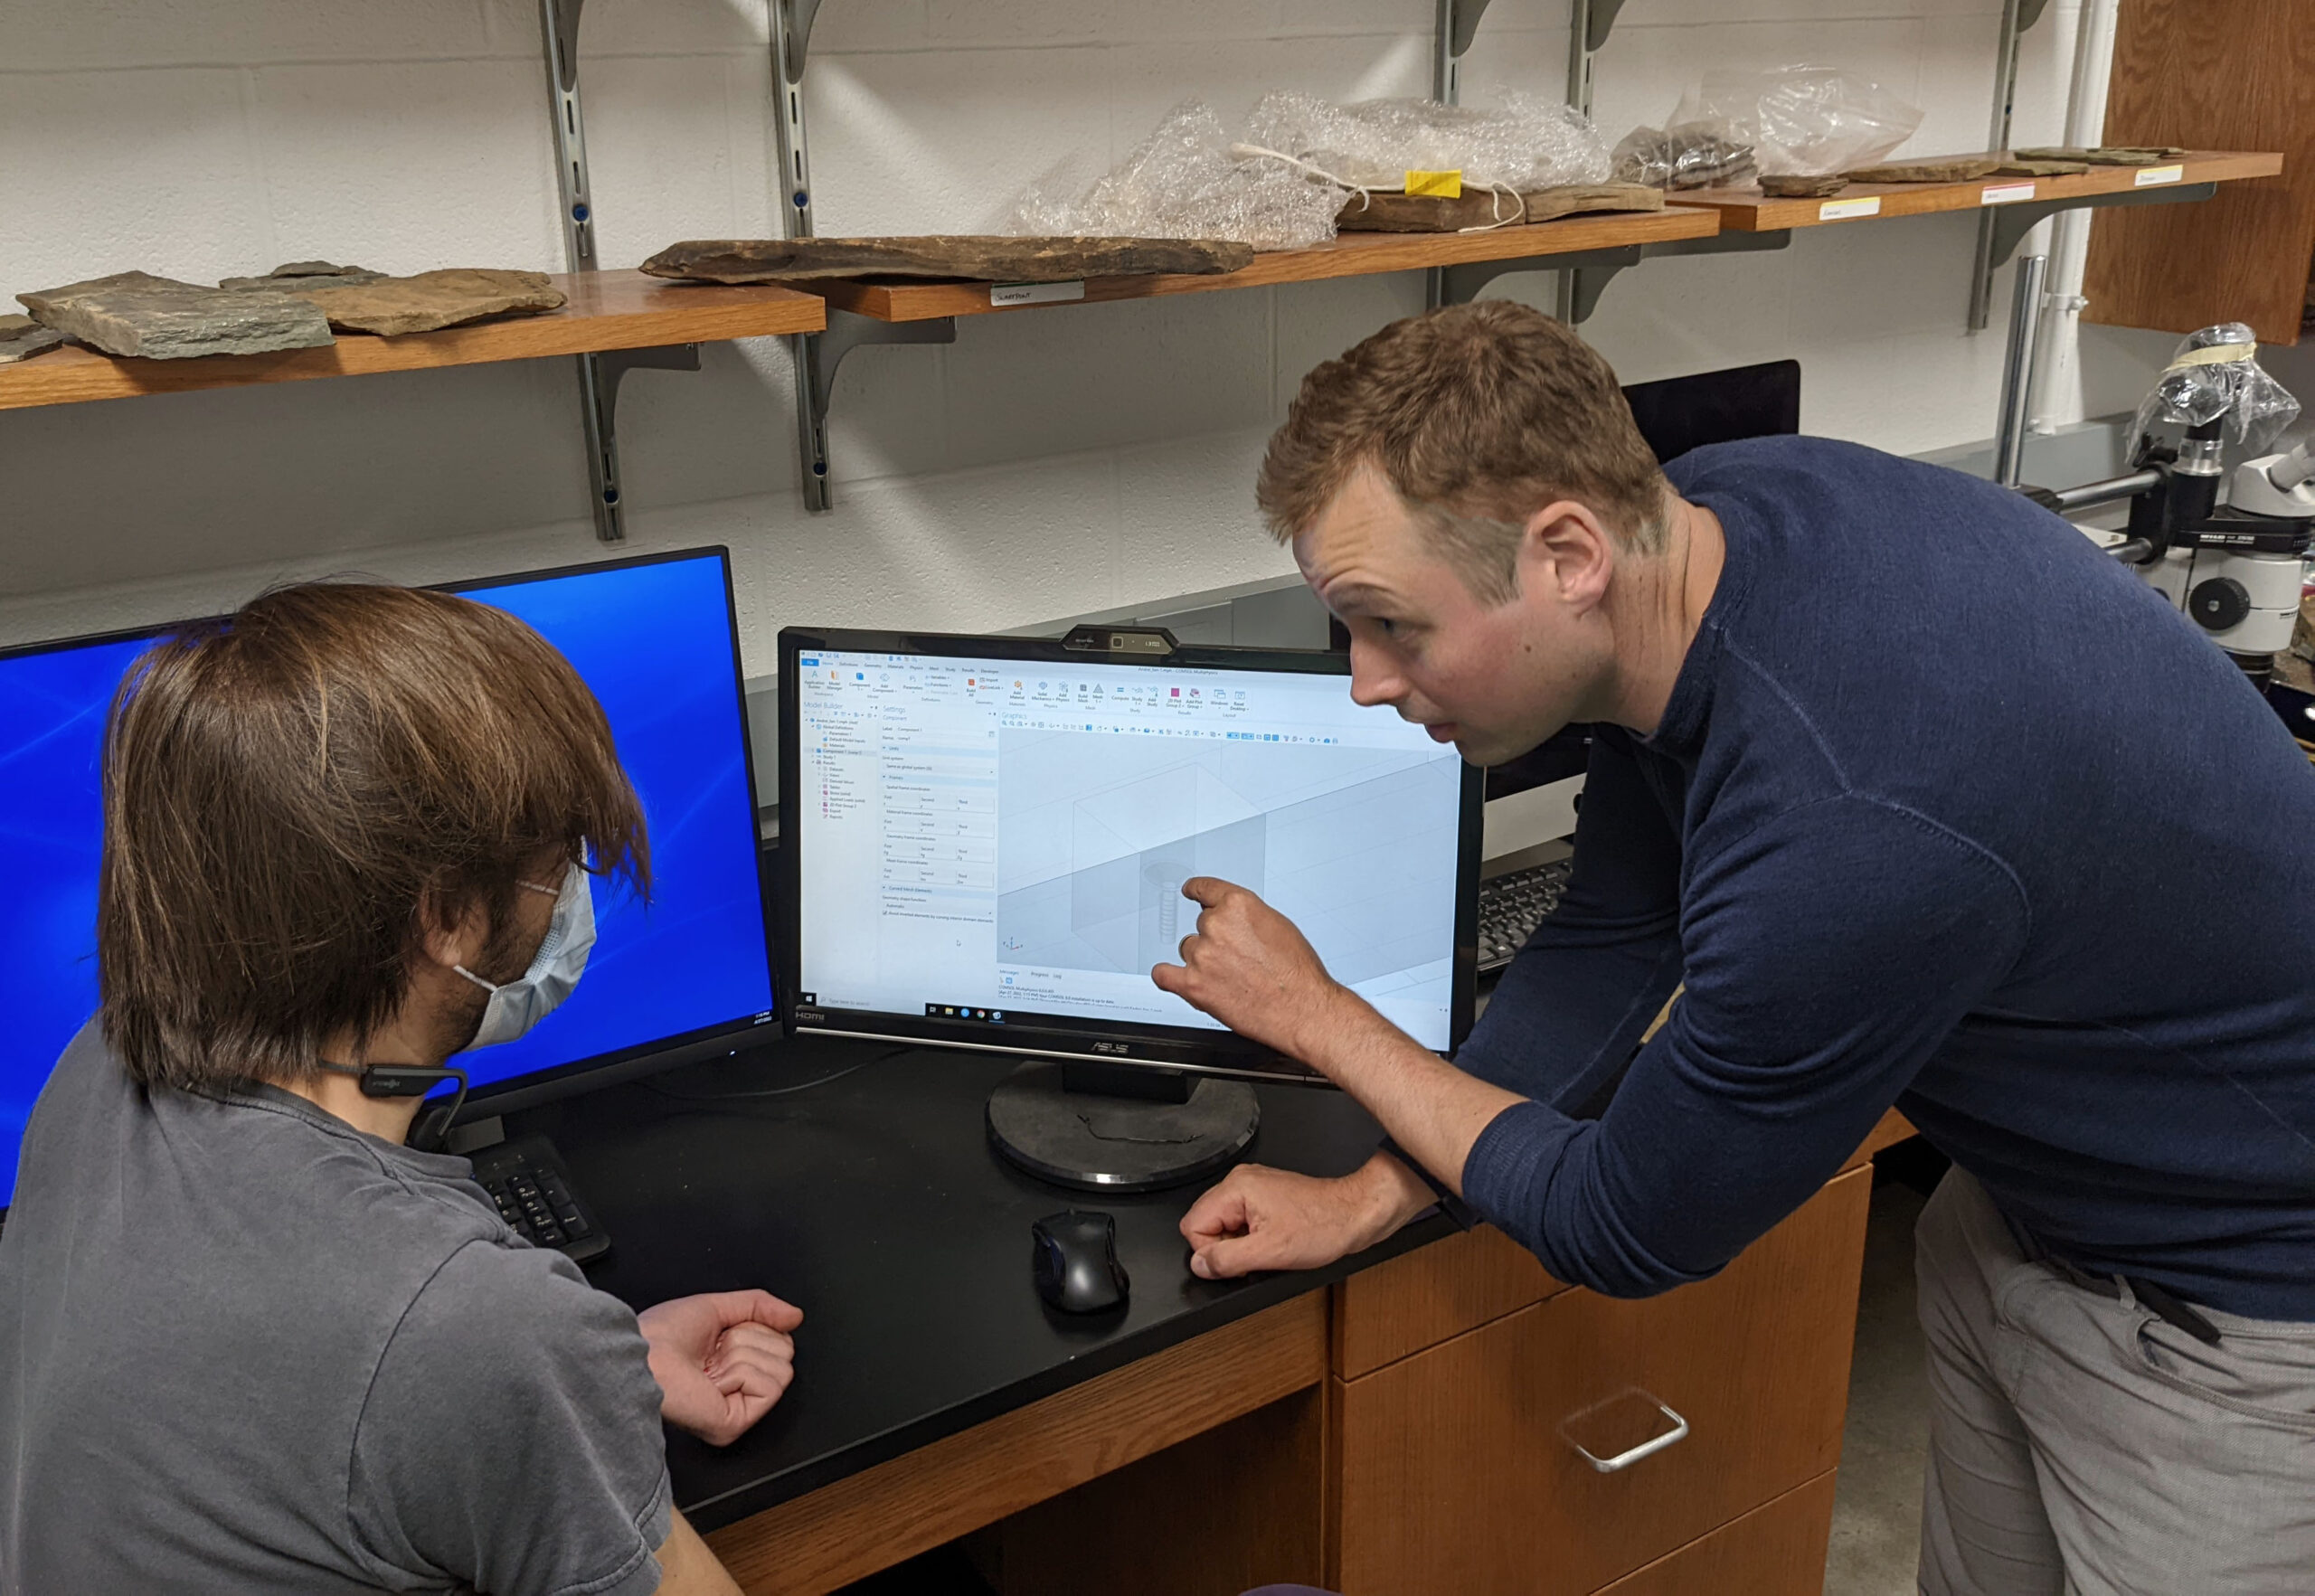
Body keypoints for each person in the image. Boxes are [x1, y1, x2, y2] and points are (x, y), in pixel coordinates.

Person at [1158, 301, 2315, 1593]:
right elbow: (1614, 928)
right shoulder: (1716, 516)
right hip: (2026, 1210)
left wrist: (1321, 1017)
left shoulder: (1853, 817)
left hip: (2243, 1323)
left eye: (1393, 627)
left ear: (1568, 555)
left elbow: (1626, 1222)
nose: (1367, 679)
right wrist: (1381, 1188)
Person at [0, 584, 799, 1594]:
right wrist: (546, 1374)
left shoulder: (104, 1064)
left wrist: (591, 1377)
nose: (569, 901)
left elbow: (276, 1384)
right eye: (559, 868)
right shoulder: (471, 1323)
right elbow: (430, 1350)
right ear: (451, 919)